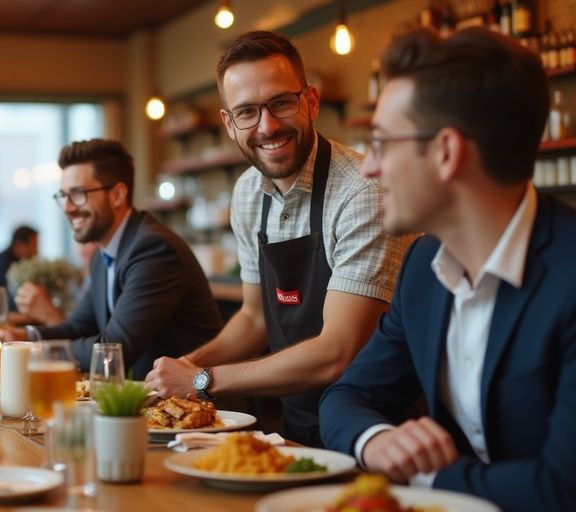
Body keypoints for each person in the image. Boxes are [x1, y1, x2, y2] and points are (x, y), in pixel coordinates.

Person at [318, 28, 576, 511]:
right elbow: (347, 395)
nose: (369, 168)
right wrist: (376, 440)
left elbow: (570, 491)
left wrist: (426, 473)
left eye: (381, 143)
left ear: (446, 151)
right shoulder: (421, 266)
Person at [145, 30, 411, 448]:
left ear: (312, 102)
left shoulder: (363, 192)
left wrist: (201, 378)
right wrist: (186, 366)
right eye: (247, 112)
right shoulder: (248, 193)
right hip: (296, 422)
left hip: (378, 428)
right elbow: (254, 318)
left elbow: (337, 350)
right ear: (229, 124)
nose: (267, 126)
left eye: (281, 103)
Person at [0, 139, 223, 377]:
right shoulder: (102, 255)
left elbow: (115, 348)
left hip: (194, 404)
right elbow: (78, 326)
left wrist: (34, 350)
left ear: (117, 195)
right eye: (63, 195)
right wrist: (24, 337)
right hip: (142, 397)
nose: (67, 207)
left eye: (78, 194)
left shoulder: (153, 249)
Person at [14, 241, 97, 326]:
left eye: (89, 242)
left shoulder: (97, 281)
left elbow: (80, 329)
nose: (83, 249)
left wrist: (48, 312)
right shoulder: (73, 277)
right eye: (79, 242)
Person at [0, 225, 38, 307]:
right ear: (20, 244)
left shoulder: (12, 261)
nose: (36, 250)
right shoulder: (2, 264)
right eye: (34, 244)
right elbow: (10, 300)